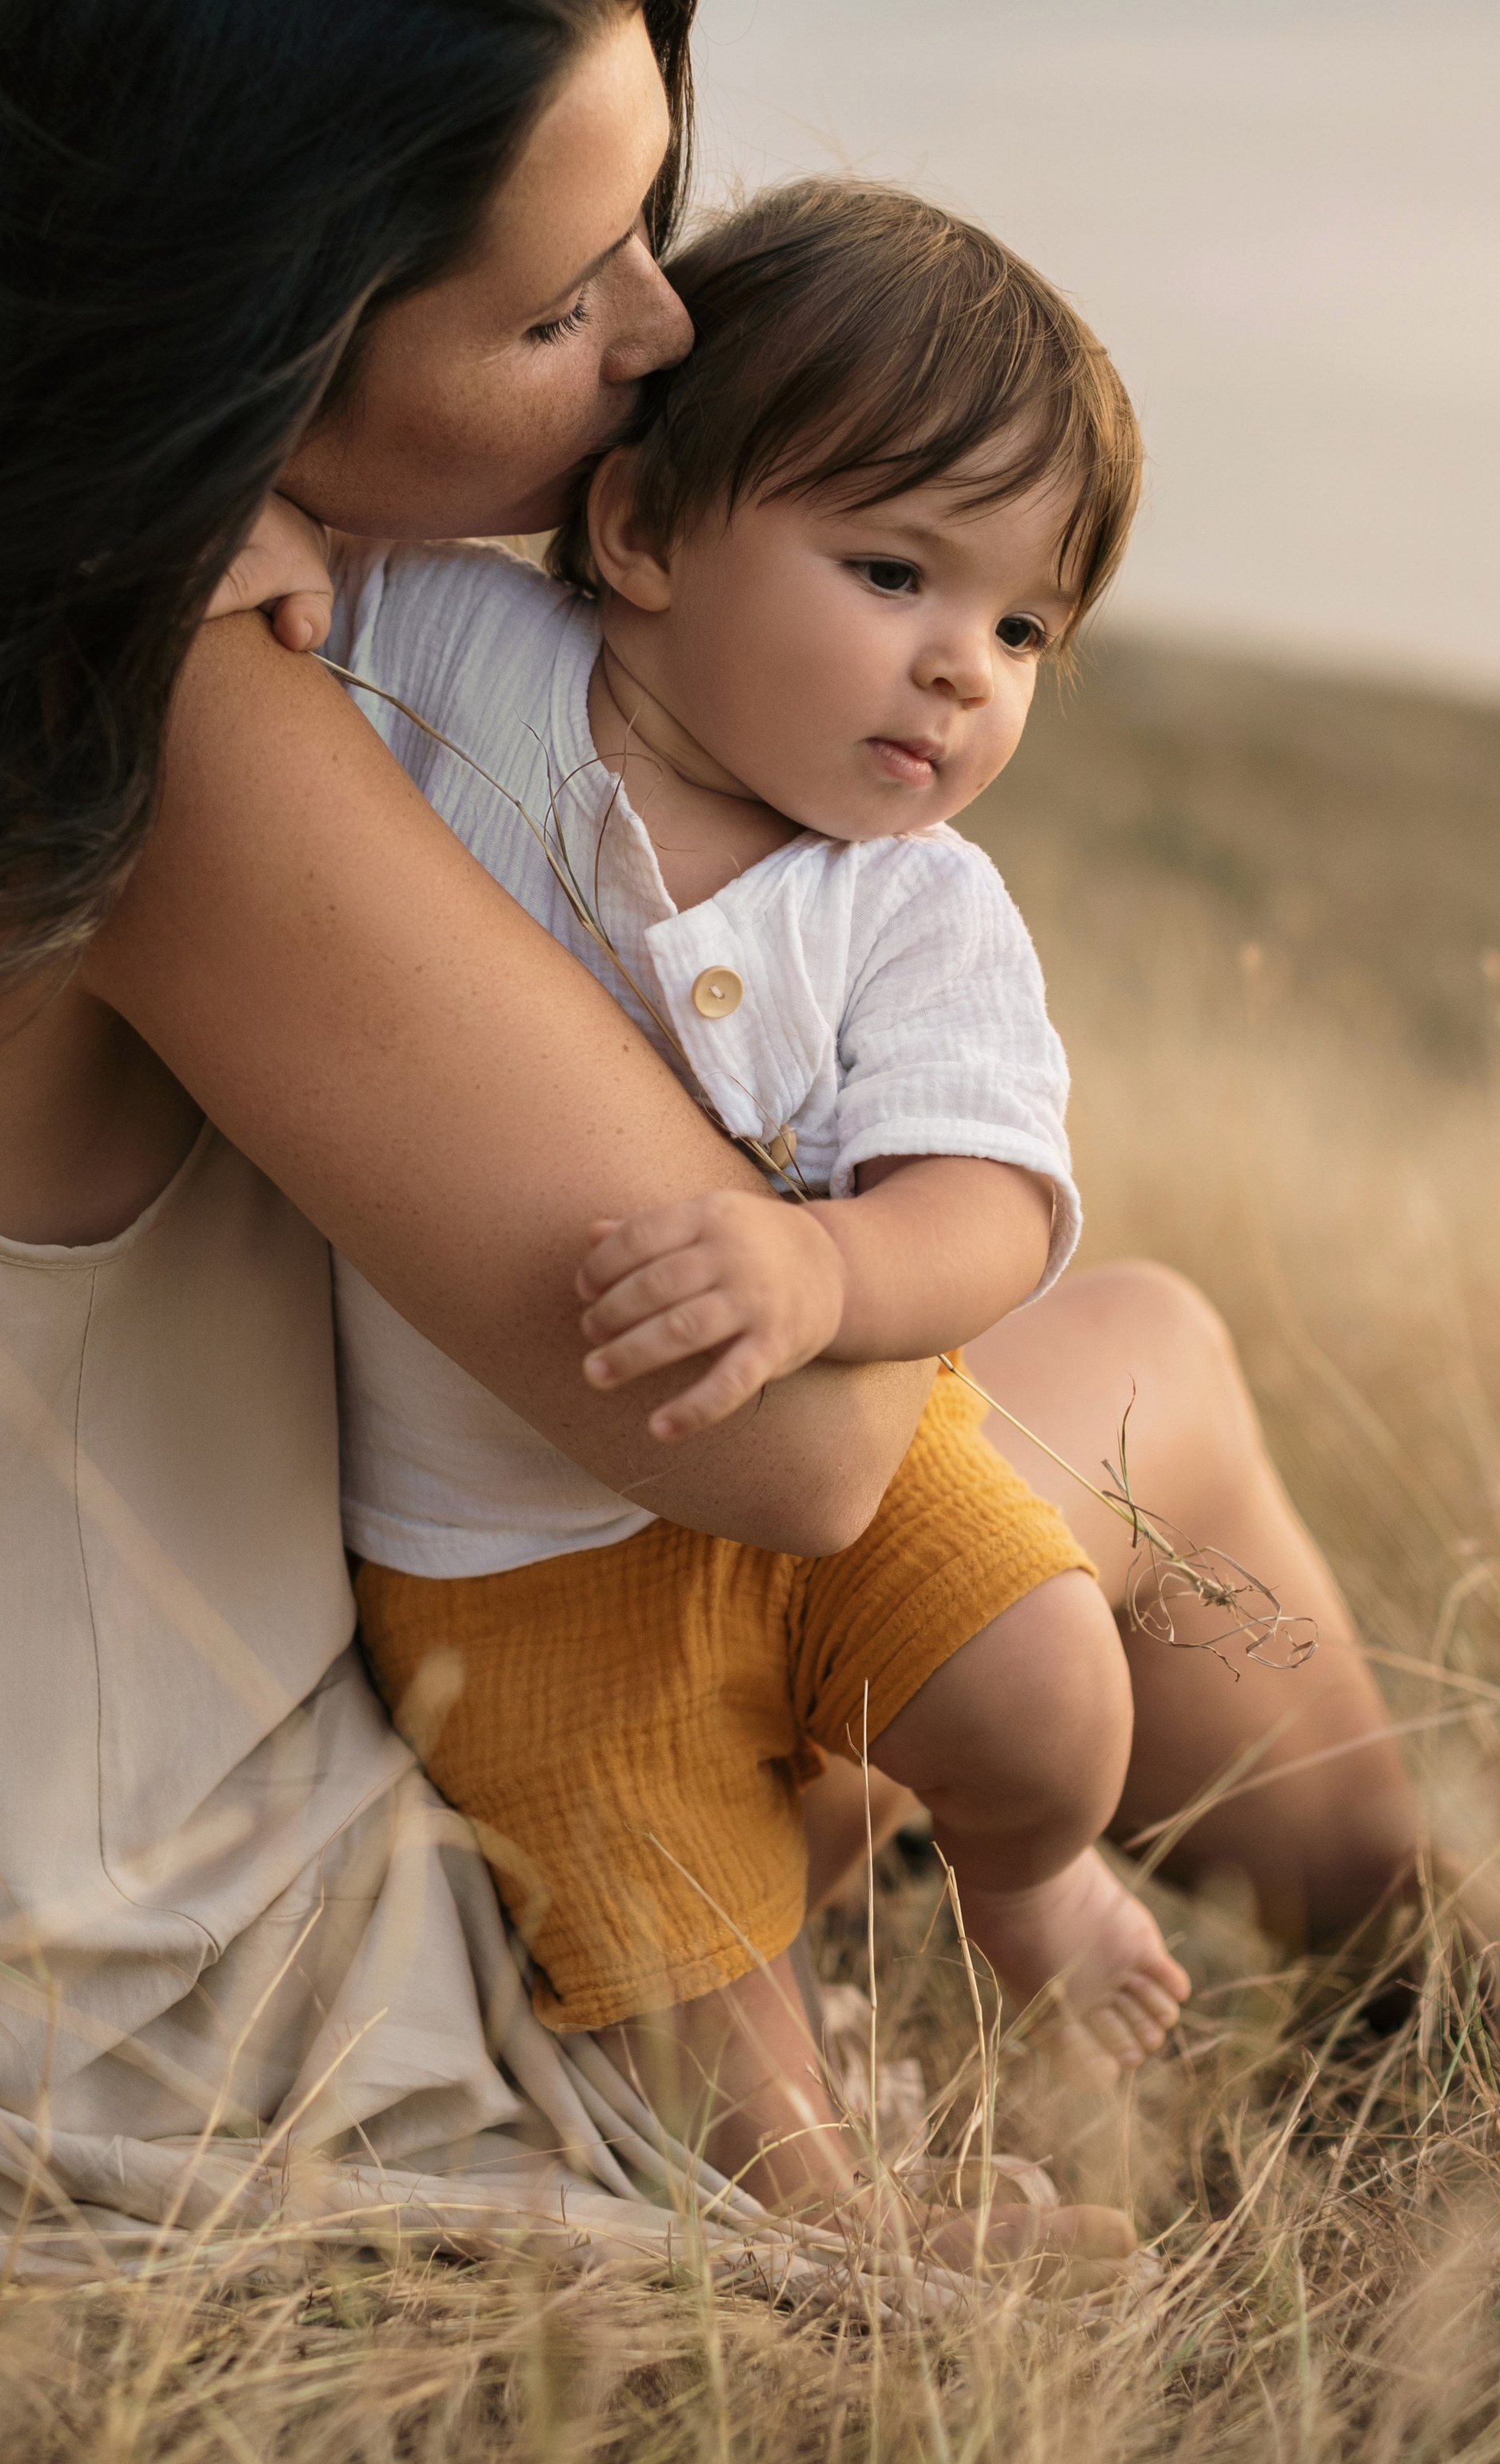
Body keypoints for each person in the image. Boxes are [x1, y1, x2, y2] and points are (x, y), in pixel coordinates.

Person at [0, 0, 1416, 2280]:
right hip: (158, 1973)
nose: (670, 335)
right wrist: (840, 1198)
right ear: (258, 328)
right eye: (571, 299)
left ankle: (1342, 1970)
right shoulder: (166, 691)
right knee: (1145, 1369)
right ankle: (1432, 2001)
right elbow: (787, 1457)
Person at [240, 178, 1199, 2206]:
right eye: (891, 572)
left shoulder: (916, 907)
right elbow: (278, 498)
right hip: (506, 1574)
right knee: (706, 2020)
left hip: (857, 1462)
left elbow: (995, 1206)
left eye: (1022, 627)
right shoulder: (456, 654)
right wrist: (244, 524)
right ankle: (867, 2237)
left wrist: (823, 1264)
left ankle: (1023, 1888)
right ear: (640, 532)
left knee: (1049, 1695)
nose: (962, 672)